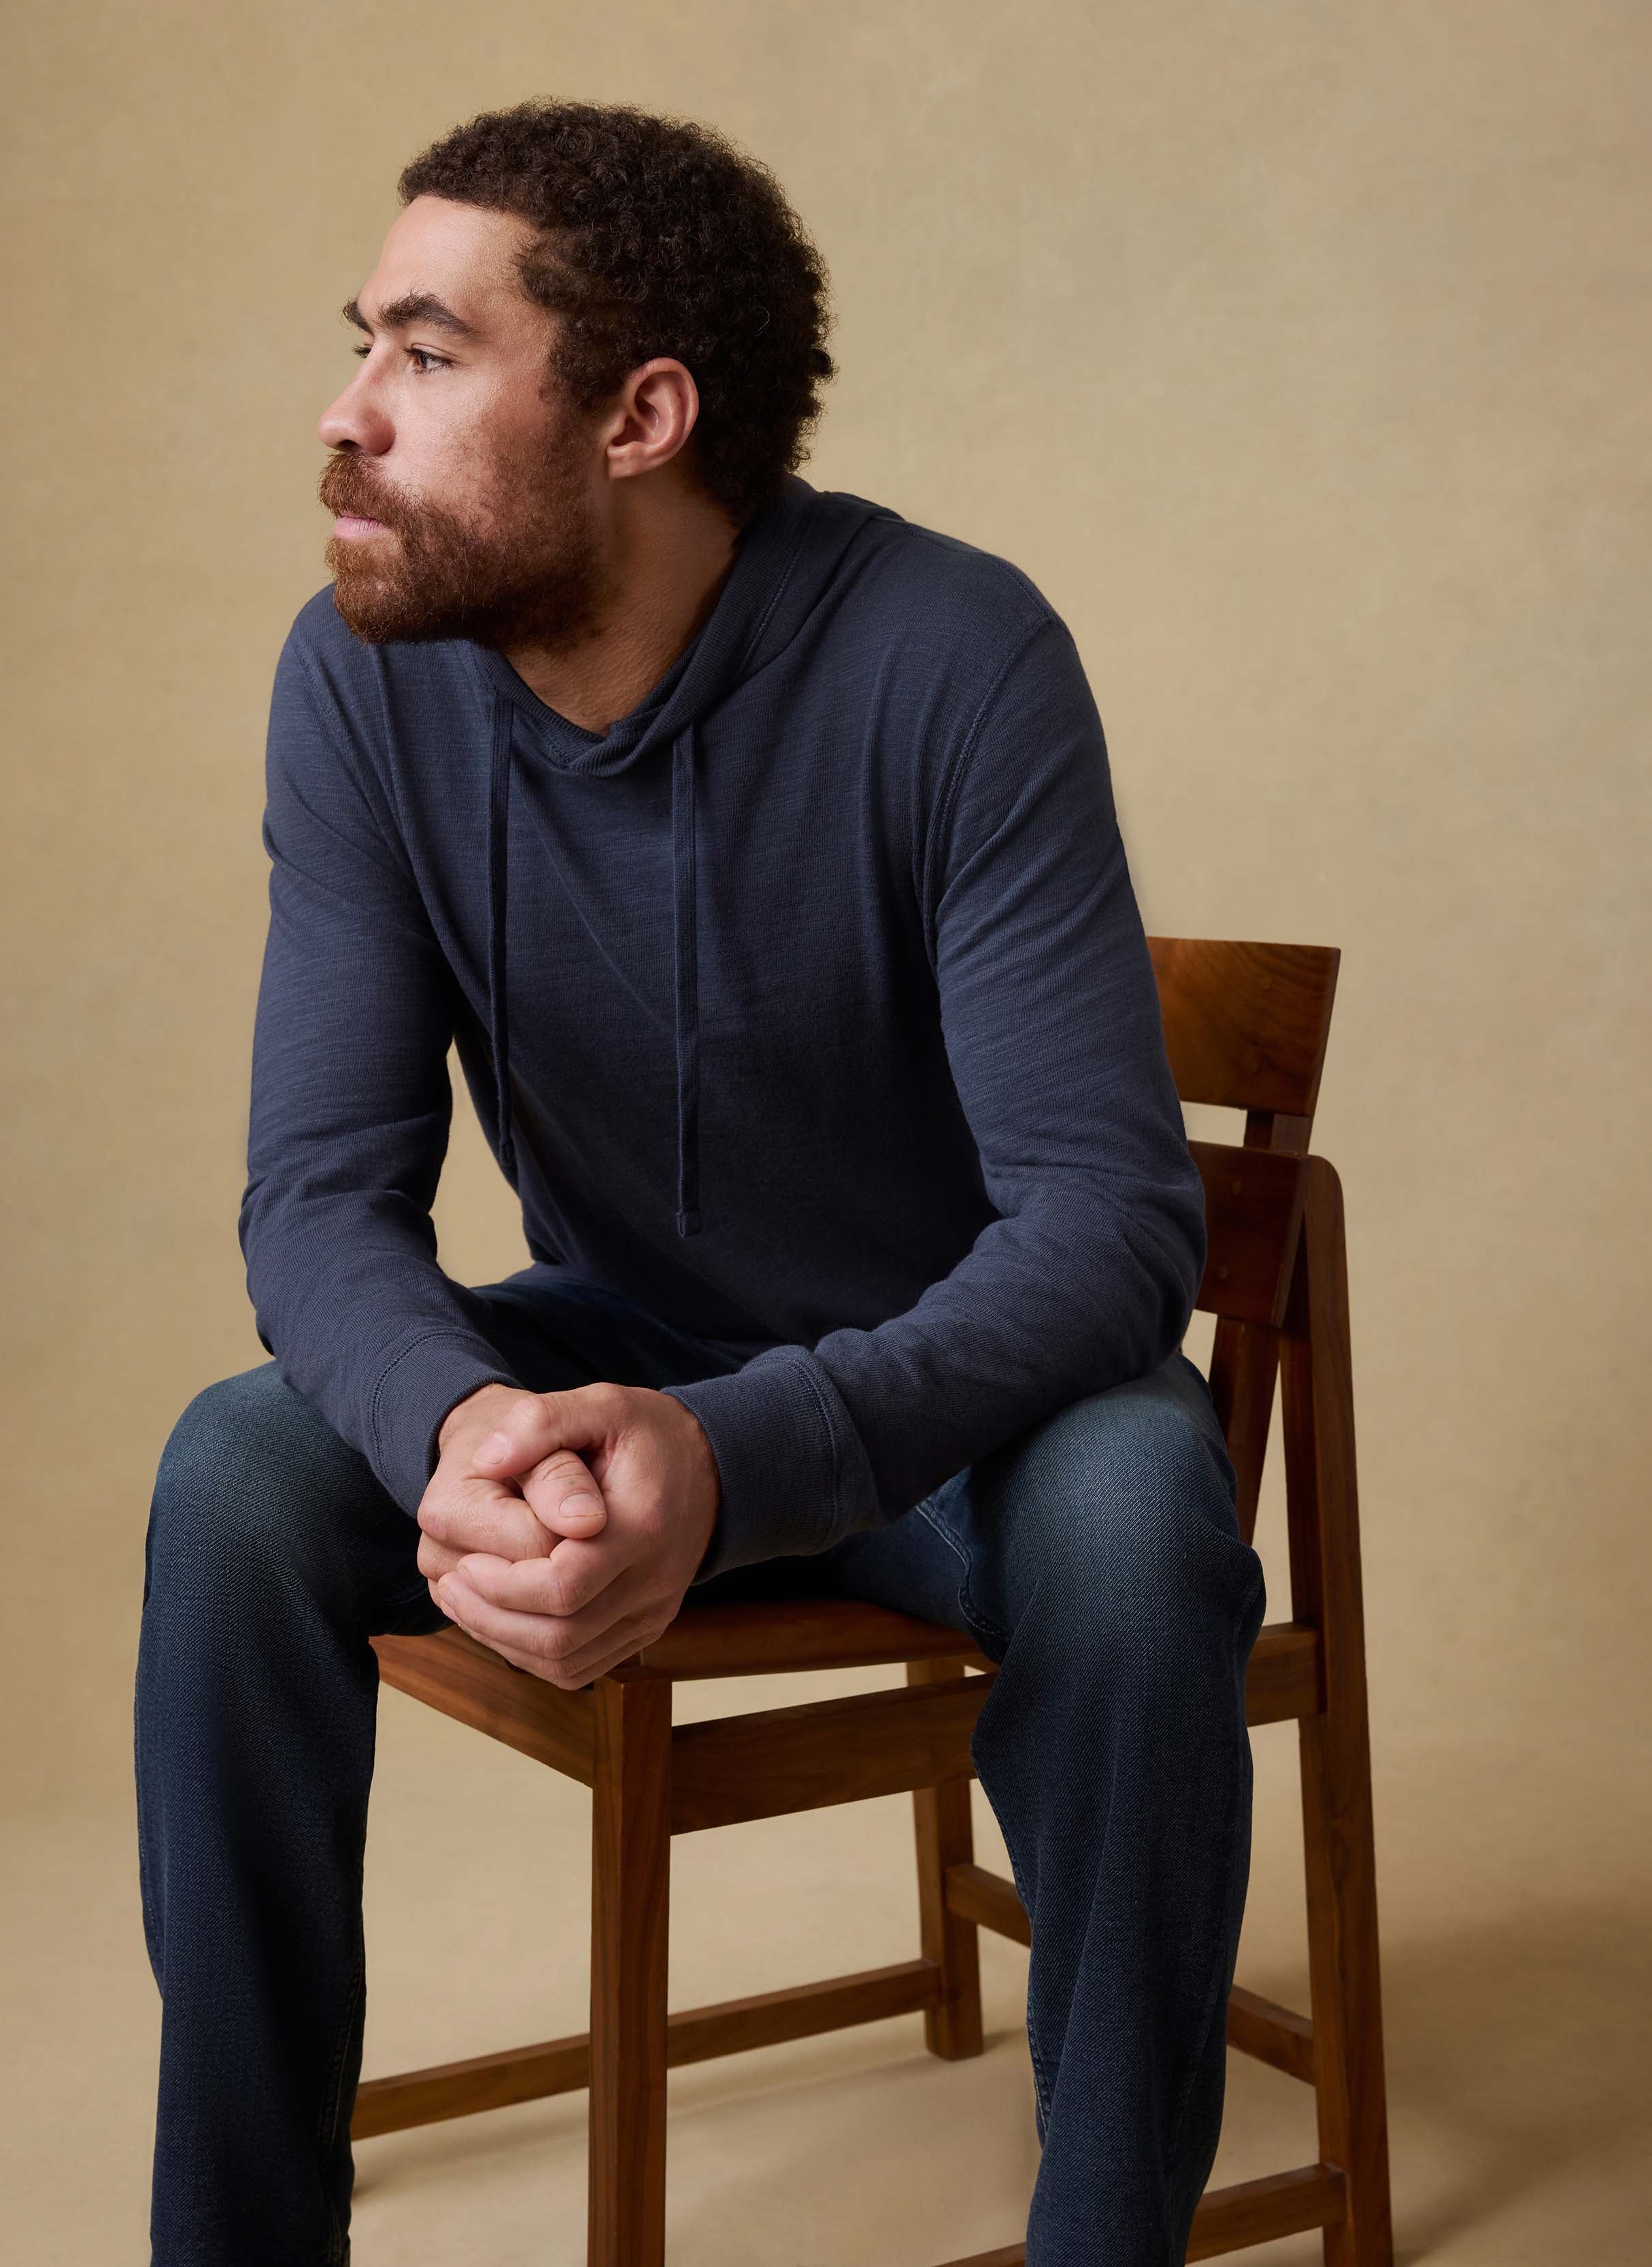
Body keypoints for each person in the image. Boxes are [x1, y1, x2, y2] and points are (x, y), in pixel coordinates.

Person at [133, 97, 1266, 2267]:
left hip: (968, 1405)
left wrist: (724, 1459)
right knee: (245, 1473)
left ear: (641, 413)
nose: (344, 410)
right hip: (617, 1362)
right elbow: (322, 1195)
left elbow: (1114, 1234)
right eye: (362, 340)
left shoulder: (952, 654)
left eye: (428, 354)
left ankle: (1109, 2239)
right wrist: (470, 1430)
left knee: (1138, 1512)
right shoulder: (362, 686)